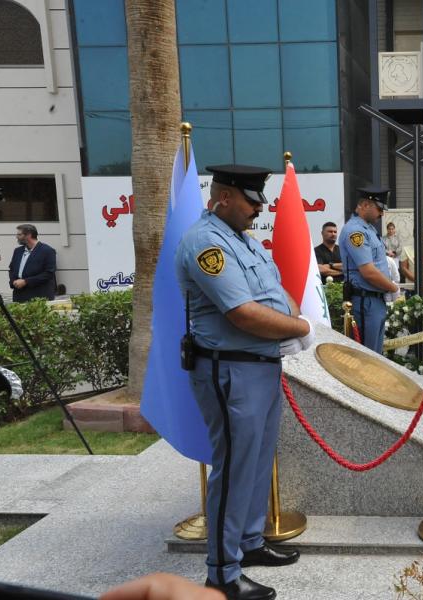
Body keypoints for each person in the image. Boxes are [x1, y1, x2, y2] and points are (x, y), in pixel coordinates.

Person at [175, 164, 311, 600]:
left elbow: (277, 293)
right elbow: (242, 313)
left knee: (256, 460)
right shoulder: (206, 243)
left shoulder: (243, 242)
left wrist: (293, 320)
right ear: (226, 197)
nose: (259, 209)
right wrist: (301, 328)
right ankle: (222, 573)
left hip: (261, 366)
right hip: (229, 369)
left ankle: (249, 543)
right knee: (233, 468)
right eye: (252, 201)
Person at [339, 186, 399, 354]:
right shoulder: (355, 231)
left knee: (375, 356)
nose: (381, 214)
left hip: (375, 300)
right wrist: (393, 287)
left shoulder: (369, 229)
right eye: (379, 209)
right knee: (367, 357)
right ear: (365, 205)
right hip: (365, 301)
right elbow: (368, 272)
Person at [8, 224, 57, 302]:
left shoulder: (47, 251)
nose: (16, 237)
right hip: (19, 295)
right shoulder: (17, 251)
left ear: (29, 235)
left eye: (19, 234)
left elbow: (49, 273)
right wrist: (13, 281)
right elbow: (12, 269)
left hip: (39, 297)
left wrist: (26, 281)